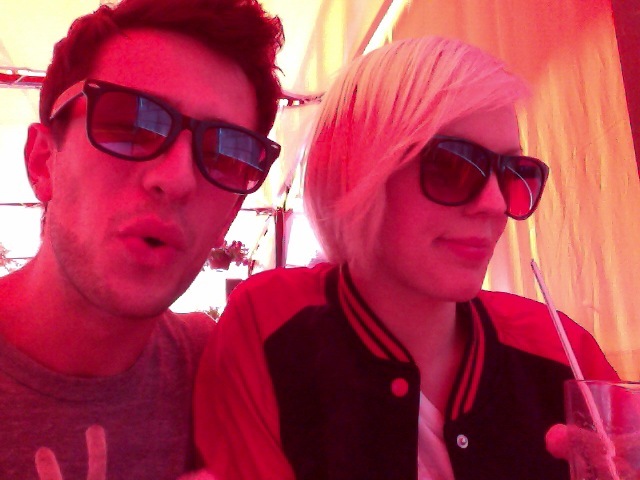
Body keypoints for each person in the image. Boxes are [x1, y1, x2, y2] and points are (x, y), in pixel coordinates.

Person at [193, 36, 618, 479]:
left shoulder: (562, 350)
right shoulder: (272, 325)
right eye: (454, 166)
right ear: (357, 173)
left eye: (515, 173)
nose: (495, 204)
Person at [0, 0, 283, 478]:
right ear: (43, 161)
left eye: (225, 155)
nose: (177, 179)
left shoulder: (217, 373)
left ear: (230, 217)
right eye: (132, 124)